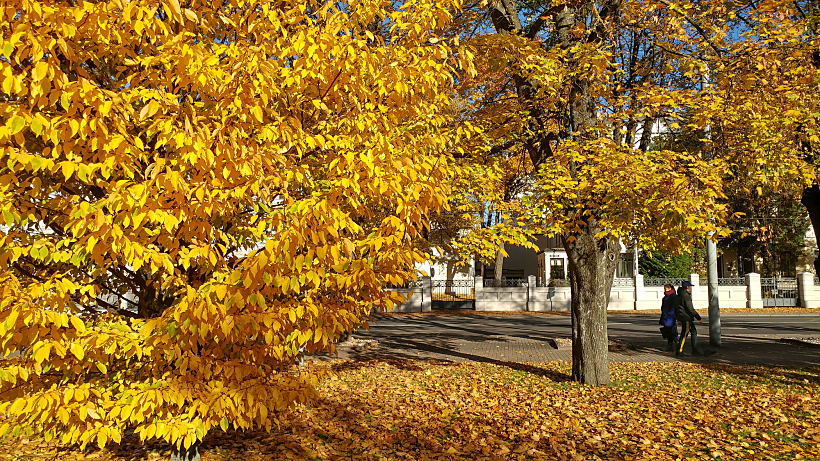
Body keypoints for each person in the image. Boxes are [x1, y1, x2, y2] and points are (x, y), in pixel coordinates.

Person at [675, 281, 702, 356]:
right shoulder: (686, 296)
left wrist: (678, 318)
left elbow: (676, 308)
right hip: (686, 317)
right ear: (687, 287)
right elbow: (690, 309)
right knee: (684, 334)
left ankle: (695, 349)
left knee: (694, 332)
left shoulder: (678, 296)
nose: (690, 288)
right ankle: (679, 351)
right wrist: (698, 317)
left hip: (683, 317)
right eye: (690, 286)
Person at [658, 284, 678, 351]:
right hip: (666, 316)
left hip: (671, 316)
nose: (665, 290)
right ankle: (671, 345)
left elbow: (675, 307)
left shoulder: (673, 296)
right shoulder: (666, 297)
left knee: (671, 331)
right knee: (668, 330)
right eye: (665, 288)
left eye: (666, 288)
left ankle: (676, 343)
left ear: (670, 288)